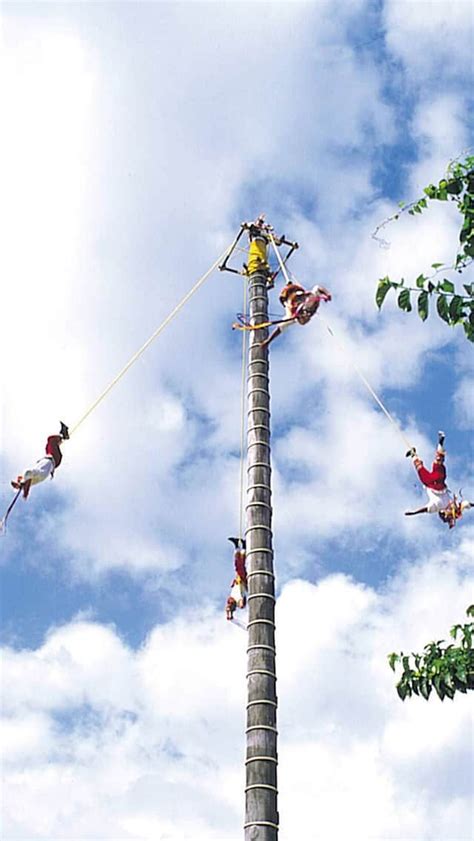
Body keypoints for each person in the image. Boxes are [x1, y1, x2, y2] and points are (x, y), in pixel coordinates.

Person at [405, 431, 473, 528]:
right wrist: (413, 513)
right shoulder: (450, 506)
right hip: (438, 482)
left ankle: (413, 453)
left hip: (430, 483)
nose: (447, 512)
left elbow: (424, 509)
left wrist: (414, 512)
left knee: (421, 467)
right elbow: (466, 504)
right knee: (437, 462)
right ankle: (440, 443)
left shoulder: (437, 506)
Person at [260, 280, 332, 348]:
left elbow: (280, 328)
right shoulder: (310, 302)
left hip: (287, 299)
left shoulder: (291, 316)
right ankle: (294, 293)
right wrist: (327, 294)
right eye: (306, 316)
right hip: (295, 293)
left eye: (303, 317)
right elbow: (317, 288)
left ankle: (293, 295)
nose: (305, 315)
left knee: (289, 316)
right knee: (303, 299)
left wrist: (268, 341)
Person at [11, 422, 69, 500]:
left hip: (51, 460)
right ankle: (63, 436)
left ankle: (61, 437)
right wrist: (25, 493)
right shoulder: (27, 475)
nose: (18, 479)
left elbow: (25, 483)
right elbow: (26, 480)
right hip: (53, 459)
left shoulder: (30, 479)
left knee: (48, 446)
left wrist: (22, 489)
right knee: (50, 440)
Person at [226, 537, 248, 620]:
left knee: (239, 564)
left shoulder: (232, 596)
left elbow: (228, 608)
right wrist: (241, 604)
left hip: (239, 579)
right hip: (242, 580)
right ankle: (241, 547)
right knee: (239, 565)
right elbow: (241, 604)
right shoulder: (238, 598)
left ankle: (238, 547)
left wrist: (229, 614)